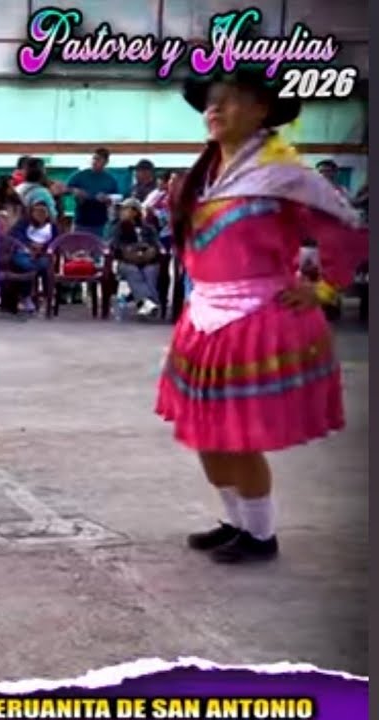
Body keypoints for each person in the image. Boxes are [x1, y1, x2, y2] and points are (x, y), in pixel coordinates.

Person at [156, 68, 368, 564]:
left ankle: (261, 535)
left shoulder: (286, 175)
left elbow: (348, 227)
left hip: (254, 317)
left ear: (262, 110)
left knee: (237, 436)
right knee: (206, 433)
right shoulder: (203, 176)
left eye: (229, 99)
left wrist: (324, 287)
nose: (215, 108)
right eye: (211, 101)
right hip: (203, 314)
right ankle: (235, 522)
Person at [108, 198, 162, 317]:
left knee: (150, 271)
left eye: (125, 209)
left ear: (135, 212)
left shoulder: (148, 228)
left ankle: (146, 304)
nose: (122, 212)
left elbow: (156, 244)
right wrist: (131, 250)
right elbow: (115, 245)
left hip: (148, 260)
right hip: (126, 261)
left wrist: (149, 251)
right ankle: (150, 302)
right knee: (133, 271)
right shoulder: (118, 227)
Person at [66, 148, 120, 236]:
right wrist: (76, 191)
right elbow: (66, 189)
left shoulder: (110, 180)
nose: (95, 161)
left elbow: (117, 198)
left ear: (106, 162)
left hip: (100, 223)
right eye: (94, 158)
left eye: (98, 159)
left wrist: (107, 198)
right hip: (80, 221)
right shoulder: (80, 175)